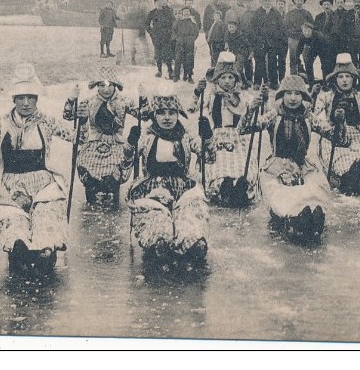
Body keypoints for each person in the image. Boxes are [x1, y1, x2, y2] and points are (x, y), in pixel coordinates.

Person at [0, 65, 75, 273]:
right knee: (14, 223)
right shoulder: (1, 123)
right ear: (13, 99)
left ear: (37, 99)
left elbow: (78, 138)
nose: (25, 103)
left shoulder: (47, 122)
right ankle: (19, 249)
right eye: (20, 97)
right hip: (10, 186)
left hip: (43, 185)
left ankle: (45, 251)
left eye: (30, 97)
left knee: (46, 218)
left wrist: (81, 117)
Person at [240, 75, 332, 242]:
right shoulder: (274, 115)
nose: (292, 98)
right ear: (281, 96)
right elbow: (246, 129)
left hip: (302, 166)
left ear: (303, 97)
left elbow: (334, 136)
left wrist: (340, 123)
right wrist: (251, 110)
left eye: (297, 94)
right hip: (277, 166)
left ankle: (311, 215)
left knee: (312, 186)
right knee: (280, 191)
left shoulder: (308, 117)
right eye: (288, 93)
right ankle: (292, 218)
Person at [127, 82, 209, 267]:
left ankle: (190, 243)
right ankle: (159, 243)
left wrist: (207, 137)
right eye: (161, 113)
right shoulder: (147, 136)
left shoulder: (185, 136)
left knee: (192, 226)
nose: (167, 118)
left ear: (177, 114)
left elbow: (208, 156)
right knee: (158, 231)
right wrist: (131, 143)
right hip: (152, 189)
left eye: (172, 113)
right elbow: (126, 162)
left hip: (184, 187)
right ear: (154, 115)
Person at [62, 64, 141, 207]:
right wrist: (71, 100)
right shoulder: (89, 102)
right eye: (101, 85)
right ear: (97, 86)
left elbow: (143, 114)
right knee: (87, 164)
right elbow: (68, 115)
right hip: (95, 141)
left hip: (116, 140)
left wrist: (144, 99)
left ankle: (112, 186)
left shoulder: (123, 101)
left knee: (118, 165)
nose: (106, 89)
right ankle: (92, 186)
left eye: (110, 85)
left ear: (115, 85)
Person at [191, 52, 255, 206]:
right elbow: (192, 108)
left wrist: (261, 102)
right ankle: (222, 187)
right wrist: (197, 92)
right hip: (217, 136)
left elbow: (250, 113)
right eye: (223, 77)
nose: (227, 82)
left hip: (237, 136)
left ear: (236, 80)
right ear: (217, 79)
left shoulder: (241, 97)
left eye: (231, 77)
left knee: (242, 162)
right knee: (217, 163)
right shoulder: (211, 96)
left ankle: (241, 187)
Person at [311, 54, 360, 196]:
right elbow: (313, 114)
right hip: (333, 134)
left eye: (348, 76)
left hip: (355, 133)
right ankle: (348, 175)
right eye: (341, 77)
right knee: (339, 156)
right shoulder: (327, 96)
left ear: (353, 78)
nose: (344, 80)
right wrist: (313, 97)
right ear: (335, 79)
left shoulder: (359, 96)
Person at [250, 0, 283, 88]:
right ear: (261, 2)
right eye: (265, 1)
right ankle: (257, 82)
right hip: (260, 42)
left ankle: (274, 82)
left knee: (273, 61)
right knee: (259, 62)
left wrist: (276, 38)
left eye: (269, 0)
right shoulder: (257, 13)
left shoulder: (275, 13)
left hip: (272, 42)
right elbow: (253, 28)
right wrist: (257, 39)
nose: (267, 2)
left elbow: (280, 27)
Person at [284, 0, 314, 77]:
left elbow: (312, 26)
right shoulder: (290, 14)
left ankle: (308, 77)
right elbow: (286, 27)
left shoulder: (307, 13)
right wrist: (292, 34)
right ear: (294, 1)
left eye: (301, 0)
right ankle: (294, 77)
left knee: (307, 58)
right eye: (298, 0)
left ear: (303, 2)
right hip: (293, 39)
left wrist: (306, 34)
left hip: (305, 39)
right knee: (293, 58)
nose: (299, 2)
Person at [147, 0, 175, 80]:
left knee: (167, 54)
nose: (160, 3)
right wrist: (151, 33)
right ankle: (159, 71)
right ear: (155, 3)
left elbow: (173, 21)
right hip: (156, 37)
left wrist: (170, 32)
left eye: (161, 2)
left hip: (166, 37)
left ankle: (170, 71)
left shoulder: (168, 11)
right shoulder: (152, 13)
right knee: (158, 54)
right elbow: (146, 24)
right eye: (158, 2)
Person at [171, 6, 201, 83]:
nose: (186, 13)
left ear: (190, 13)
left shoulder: (193, 23)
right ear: (182, 13)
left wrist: (192, 39)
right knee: (178, 58)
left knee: (189, 59)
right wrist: (177, 39)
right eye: (185, 11)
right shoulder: (178, 22)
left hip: (189, 42)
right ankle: (176, 76)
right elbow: (174, 31)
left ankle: (189, 76)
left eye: (188, 11)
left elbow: (196, 32)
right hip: (180, 42)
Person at [123, 0, 151, 66]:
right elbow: (126, 18)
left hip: (141, 29)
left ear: (139, 3)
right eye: (134, 2)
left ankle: (147, 59)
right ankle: (133, 58)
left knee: (145, 44)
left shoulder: (143, 10)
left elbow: (147, 18)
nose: (136, 3)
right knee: (132, 44)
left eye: (137, 2)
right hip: (134, 29)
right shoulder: (131, 10)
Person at [313, 0, 336, 80]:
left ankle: (332, 82)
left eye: (328, 4)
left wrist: (330, 37)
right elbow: (316, 30)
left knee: (333, 63)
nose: (327, 6)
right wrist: (321, 36)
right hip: (322, 44)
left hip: (332, 44)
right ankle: (325, 82)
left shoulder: (335, 15)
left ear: (331, 5)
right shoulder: (318, 17)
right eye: (325, 4)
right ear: (322, 6)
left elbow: (336, 29)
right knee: (324, 64)